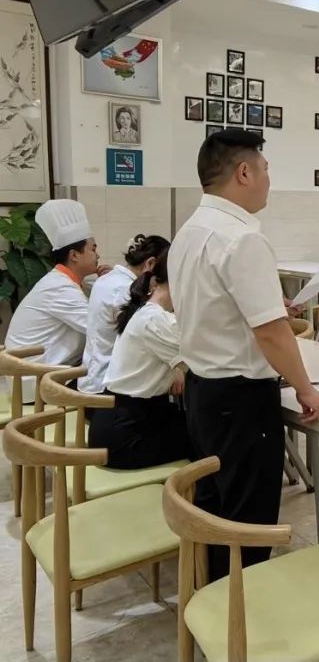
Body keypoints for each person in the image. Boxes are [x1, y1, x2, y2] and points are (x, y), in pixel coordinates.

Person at [169, 128, 319, 580]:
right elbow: (273, 334)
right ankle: (236, 624)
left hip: (201, 393)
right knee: (247, 519)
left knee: (215, 509)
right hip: (240, 401)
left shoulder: (189, 231)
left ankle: (211, 604)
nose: (268, 180)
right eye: (265, 170)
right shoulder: (242, 238)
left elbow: (212, 307)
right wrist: (305, 387)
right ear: (244, 172)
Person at [89, 247, 190, 469]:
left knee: (199, 427)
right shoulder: (156, 320)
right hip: (126, 436)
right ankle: (190, 501)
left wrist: (177, 369)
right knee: (207, 436)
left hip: (117, 423)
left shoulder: (144, 311)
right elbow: (203, 361)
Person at [5, 199, 104, 401]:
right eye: (93, 249)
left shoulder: (67, 282)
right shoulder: (59, 288)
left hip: (49, 373)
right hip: (36, 382)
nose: (98, 255)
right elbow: (101, 328)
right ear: (74, 255)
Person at [78, 234, 170, 394]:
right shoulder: (125, 290)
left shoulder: (107, 280)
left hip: (92, 379)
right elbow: (148, 338)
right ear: (150, 263)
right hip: (109, 387)